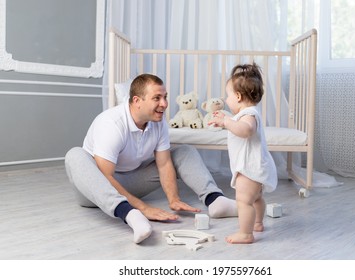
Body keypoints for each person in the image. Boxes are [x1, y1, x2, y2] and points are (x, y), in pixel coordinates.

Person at [65, 73, 237, 244]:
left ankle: (215, 200)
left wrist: (173, 198)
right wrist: (143, 208)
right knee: (75, 154)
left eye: (165, 97)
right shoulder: (111, 123)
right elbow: (106, 177)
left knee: (184, 151)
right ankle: (130, 214)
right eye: (157, 98)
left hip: (131, 182)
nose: (164, 104)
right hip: (95, 190)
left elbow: (164, 164)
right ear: (137, 101)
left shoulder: (158, 121)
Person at [208, 63, 277, 244]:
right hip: (254, 167)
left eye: (228, 95)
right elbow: (237, 125)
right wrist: (225, 121)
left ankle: (246, 233)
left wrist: (226, 123)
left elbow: (246, 130)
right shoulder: (246, 113)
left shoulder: (249, 115)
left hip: (249, 168)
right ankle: (258, 222)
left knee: (243, 200)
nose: (227, 99)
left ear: (238, 97)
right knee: (256, 198)